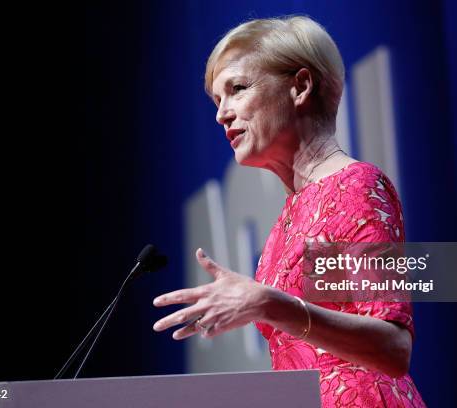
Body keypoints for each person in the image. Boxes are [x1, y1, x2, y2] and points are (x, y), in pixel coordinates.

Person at [153, 16, 426, 407]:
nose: (222, 114)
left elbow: (394, 347)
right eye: (217, 100)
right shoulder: (287, 218)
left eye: (238, 90)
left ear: (300, 86)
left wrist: (269, 304)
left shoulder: (358, 186)